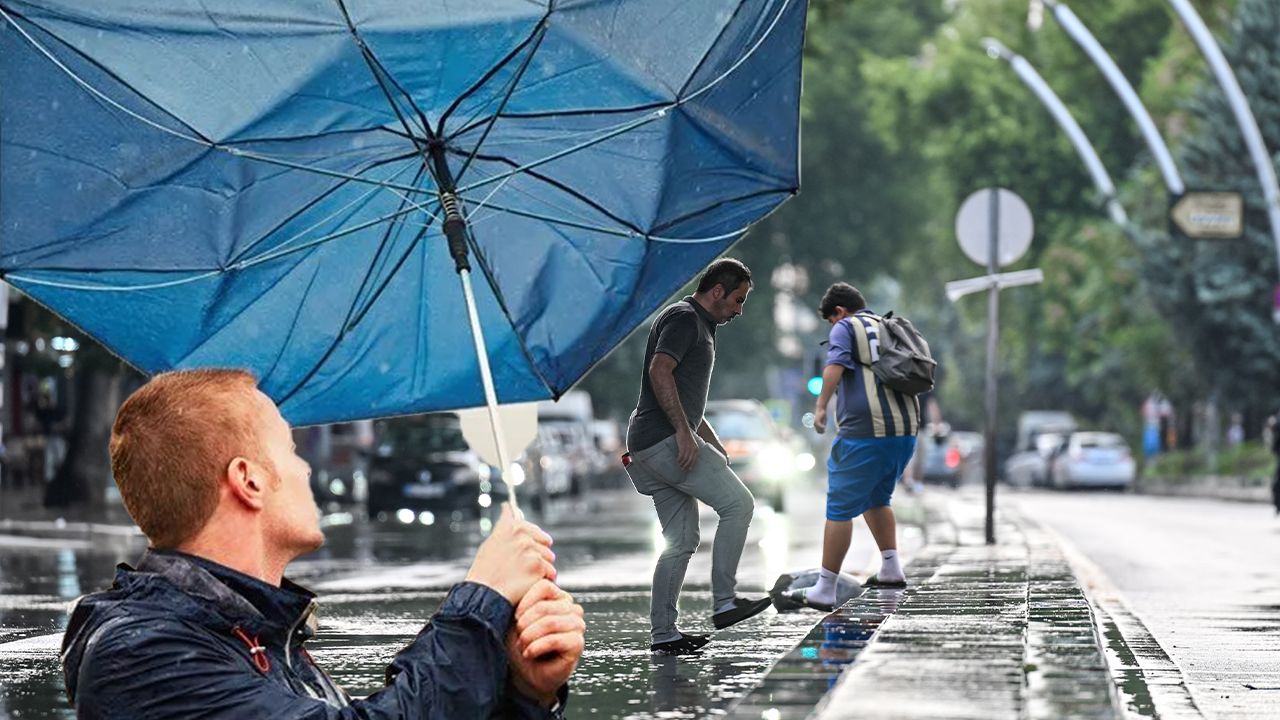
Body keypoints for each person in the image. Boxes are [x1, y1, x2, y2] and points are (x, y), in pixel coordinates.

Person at [61, 369, 584, 719]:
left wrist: (523, 691)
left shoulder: (256, 635)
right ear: (249, 480)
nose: (305, 466)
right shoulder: (142, 654)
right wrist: (482, 599)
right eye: (289, 449)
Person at [623, 258, 772, 655]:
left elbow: (685, 397)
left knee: (681, 540)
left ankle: (664, 634)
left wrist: (706, 435)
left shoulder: (698, 324)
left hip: (647, 444)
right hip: (662, 442)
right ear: (717, 291)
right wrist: (685, 434)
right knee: (739, 504)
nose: (739, 310)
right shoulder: (685, 318)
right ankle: (725, 601)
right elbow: (660, 371)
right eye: (738, 300)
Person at [788, 283, 920, 611]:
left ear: (840, 312)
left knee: (839, 507)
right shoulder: (889, 326)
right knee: (876, 498)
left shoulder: (846, 326)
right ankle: (891, 568)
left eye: (830, 322)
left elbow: (833, 367)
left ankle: (824, 588)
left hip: (864, 433)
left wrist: (820, 407)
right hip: (904, 431)